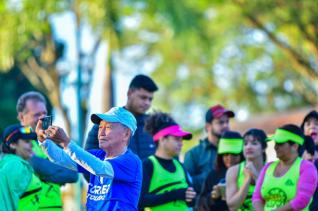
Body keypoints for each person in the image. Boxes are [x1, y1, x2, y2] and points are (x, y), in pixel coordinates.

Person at [36, 107, 142, 210]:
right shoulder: (97, 155)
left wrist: (66, 143)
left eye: (108, 127)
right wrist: (43, 141)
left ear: (126, 134)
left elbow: (101, 168)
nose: (101, 133)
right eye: (100, 127)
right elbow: (62, 159)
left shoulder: (131, 161)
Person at [16, 91, 78, 210]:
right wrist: (54, 171)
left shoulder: (52, 143)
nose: (42, 118)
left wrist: (34, 164)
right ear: (22, 117)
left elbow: (72, 175)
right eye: (36, 115)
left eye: (44, 113)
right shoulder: (13, 144)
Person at [85, 74, 159, 160]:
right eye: (143, 97)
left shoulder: (156, 126)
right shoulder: (104, 123)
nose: (147, 103)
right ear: (129, 93)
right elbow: (86, 163)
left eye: (150, 99)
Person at [138, 112, 196, 210]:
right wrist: (176, 194)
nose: (181, 143)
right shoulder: (148, 165)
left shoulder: (180, 166)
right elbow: (141, 200)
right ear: (162, 140)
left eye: (182, 140)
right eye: (177, 139)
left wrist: (191, 198)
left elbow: (190, 200)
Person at [252, 124, 318, 211]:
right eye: (275, 143)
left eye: (280, 143)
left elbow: (301, 200)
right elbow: (257, 197)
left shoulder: (307, 168)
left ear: (295, 146)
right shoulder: (268, 167)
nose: (275, 147)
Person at [184, 104, 235, 193]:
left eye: (227, 122)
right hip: (204, 205)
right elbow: (187, 185)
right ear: (208, 126)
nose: (226, 125)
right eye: (220, 122)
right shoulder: (193, 154)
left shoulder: (236, 149)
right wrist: (212, 176)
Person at [197, 131, 243, 211]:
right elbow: (199, 206)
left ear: (242, 154)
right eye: (226, 154)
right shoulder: (212, 176)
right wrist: (213, 197)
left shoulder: (248, 174)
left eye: (234, 154)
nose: (230, 158)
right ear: (220, 155)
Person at [0, 124, 42, 211]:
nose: (32, 145)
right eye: (27, 141)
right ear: (12, 144)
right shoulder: (15, 165)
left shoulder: (9, 163)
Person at [226, 129, 267, 211]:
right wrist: (247, 179)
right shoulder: (234, 171)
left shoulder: (271, 169)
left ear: (263, 148)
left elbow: (270, 201)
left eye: (254, 143)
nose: (248, 147)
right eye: (245, 144)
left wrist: (256, 176)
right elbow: (233, 206)